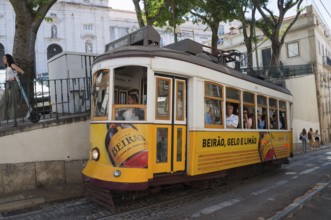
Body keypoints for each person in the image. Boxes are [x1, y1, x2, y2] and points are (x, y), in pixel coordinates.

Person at [0, 54, 25, 121]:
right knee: (3, 101)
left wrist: (14, 78)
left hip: (13, 84)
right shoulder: (7, 67)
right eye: (3, 58)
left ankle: (12, 119)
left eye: (4, 58)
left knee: (11, 101)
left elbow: (22, 72)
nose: (3, 60)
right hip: (8, 85)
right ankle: (2, 118)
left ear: (8, 58)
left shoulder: (12, 65)